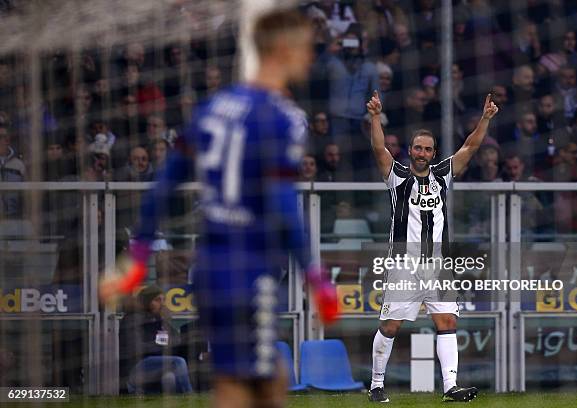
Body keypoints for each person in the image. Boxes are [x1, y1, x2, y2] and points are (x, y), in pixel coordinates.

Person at [100, 9, 337, 408]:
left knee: (250, 381)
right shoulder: (283, 118)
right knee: (249, 386)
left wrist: (139, 253)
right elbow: (283, 204)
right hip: (252, 267)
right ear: (282, 50)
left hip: (209, 266)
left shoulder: (214, 106)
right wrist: (315, 276)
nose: (310, 58)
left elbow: (164, 183)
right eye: (305, 48)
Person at [365, 90, 498, 403]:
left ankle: (450, 388)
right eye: (417, 148)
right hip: (403, 266)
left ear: (434, 153)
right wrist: (374, 116)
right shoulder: (396, 175)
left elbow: (471, 146)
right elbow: (378, 148)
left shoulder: (443, 175)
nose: (422, 153)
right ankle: (376, 385)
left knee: (447, 321)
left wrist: (485, 119)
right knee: (391, 325)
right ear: (410, 150)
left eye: (427, 149)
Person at [120, 285, 193, 394]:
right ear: (146, 302)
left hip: (157, 366)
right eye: (157, 300)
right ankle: (189, 397)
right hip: (136, 366)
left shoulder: (159, 319)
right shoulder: (132, 319)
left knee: (170, 377)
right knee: (178, 362)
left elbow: (176, 340)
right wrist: (161, 345)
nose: (162, 303)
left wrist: (165, 322)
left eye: (164, 300)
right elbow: (136, 348)